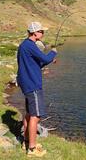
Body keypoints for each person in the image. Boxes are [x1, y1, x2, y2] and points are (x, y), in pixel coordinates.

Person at [17, 22, 57, 157]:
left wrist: (49, 60)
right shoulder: (30, 45)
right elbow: (45, 58)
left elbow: (38, 62)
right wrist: (53, 52)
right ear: (35, 33)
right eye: (41, 31)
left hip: (26, 83)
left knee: (29, 113)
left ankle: (26, 142)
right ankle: (32, 149)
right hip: (32, 84)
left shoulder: (24, 45)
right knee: (36, 116)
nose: (43, 33)